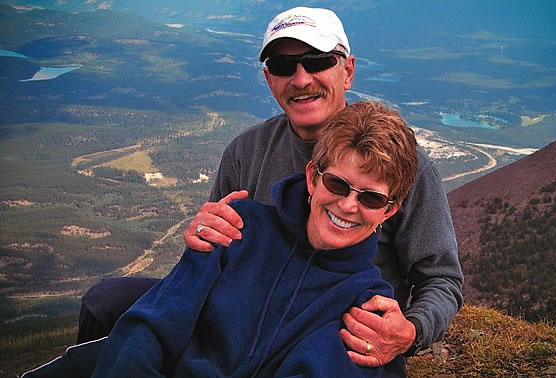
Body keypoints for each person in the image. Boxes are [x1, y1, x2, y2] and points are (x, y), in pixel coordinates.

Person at [77, 6, 464, 375]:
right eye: (282, 66)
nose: (300, 79)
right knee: (106, 302)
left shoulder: (399, 165)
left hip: (331, 323)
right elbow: (214, 245)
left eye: (317, 61)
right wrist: (203, 233)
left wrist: (410, 331)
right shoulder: (248, 151)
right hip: (240, 306)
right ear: (268, 79)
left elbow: (441, 277)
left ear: (347, 71)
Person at [23, 101, 419, 377]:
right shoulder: (235, 227)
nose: (348, 205)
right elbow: (156, 322)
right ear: (314, 177)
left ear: (388, 211)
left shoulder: (367, 305)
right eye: (337, 183)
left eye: (369, 197)